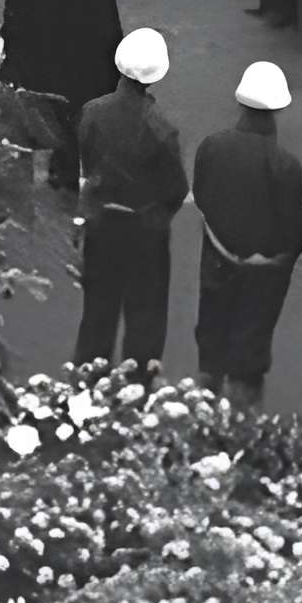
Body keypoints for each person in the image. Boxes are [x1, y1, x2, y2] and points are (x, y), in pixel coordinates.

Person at [190, 59, 302, 406]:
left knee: (212, 328)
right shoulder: (285, 165)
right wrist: (280, 255)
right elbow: (295, 228)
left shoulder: (212, 146)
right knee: (250, 342)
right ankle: (240, 420)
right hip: (263, 273)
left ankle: (205, 399)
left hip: (217, 257)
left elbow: (202, 196)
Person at [74, 28, 186, 369]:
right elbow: (175, 188)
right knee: (145, 317)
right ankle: (137, 388)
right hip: (144, 231)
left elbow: (86, 158)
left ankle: (87, 384)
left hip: (102, 225)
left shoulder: (92, 111)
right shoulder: (161, 128)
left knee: (97, 314)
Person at [0, 0, 124, 188]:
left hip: (50, 48)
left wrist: (9, 43)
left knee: (50, 121)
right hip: (89, 43)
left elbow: (19, 1)